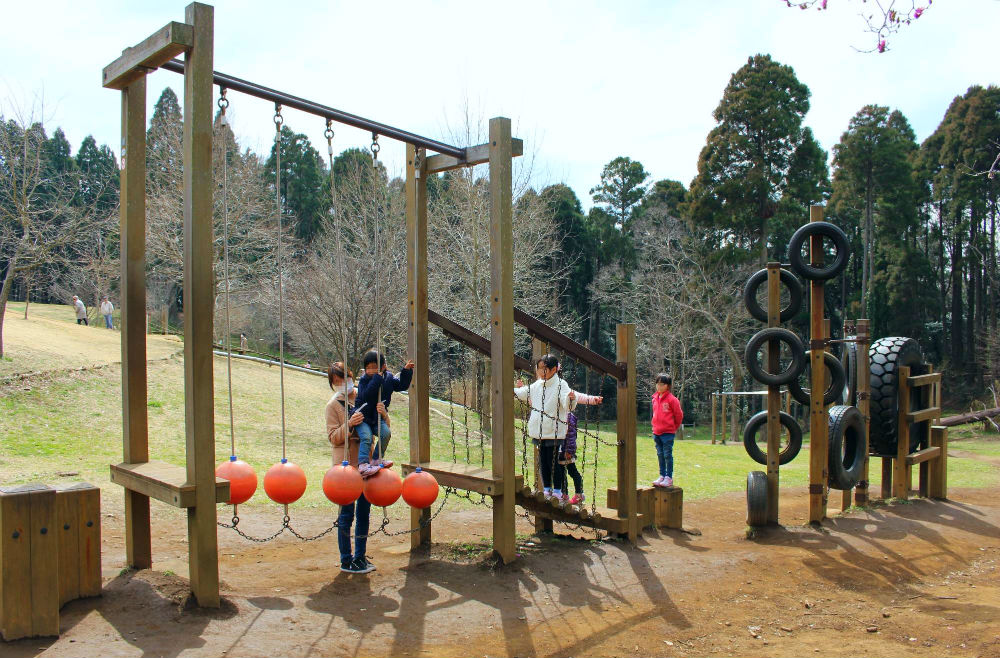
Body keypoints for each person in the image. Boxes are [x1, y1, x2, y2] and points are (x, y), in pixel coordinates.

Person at [515, 354, 595, 500]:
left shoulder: (560, 384)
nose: (540, 372)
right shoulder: (538, 384)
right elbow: (524, 392)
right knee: (543, 461)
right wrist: (512, 390)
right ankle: (547, 489)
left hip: (554, 431)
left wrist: (571, 399)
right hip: (539, 431)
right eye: (539, 369)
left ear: (553, 370)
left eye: (543, 369)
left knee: (554, 462)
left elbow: (567, 405)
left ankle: (558, 491)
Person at [326, 361, 378, 574]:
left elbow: (377, 426)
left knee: (364, 512)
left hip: (366, 464)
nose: (342, 384)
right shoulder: (333, 406)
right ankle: (346, 559)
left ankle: (360, 557)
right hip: (345, 466)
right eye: (337, 382)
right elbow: (332, 437)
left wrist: (382, 415)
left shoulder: (364, 395)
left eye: (345, 379)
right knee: (347, 513)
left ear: (351, 377)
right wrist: (349, 424)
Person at [355, 350, 414, 478]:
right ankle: (363, 464)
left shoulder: (389, 378)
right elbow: (367, 395)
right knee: (367, 437)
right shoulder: (364, 380)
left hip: (377, 417)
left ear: (383, 367)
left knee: (386, 433)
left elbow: (402, 386)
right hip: (363, 417)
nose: (371, 371)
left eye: (374, 367)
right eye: (368, 368)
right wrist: (377, 378)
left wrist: (406, 371)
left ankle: (377, 459)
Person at [554, 392, 602, 505]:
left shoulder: (568, 417)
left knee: (572, 472)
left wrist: (569, 451)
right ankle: (564, 493)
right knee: (561, 474)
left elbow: (571, 437)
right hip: (560, 451)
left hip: (566, 451)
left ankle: (579, 494)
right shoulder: (559, 416)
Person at [651, 373, 683, 487]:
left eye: (662, 384)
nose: (659, 386)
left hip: (667, 433)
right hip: (657, 432)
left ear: (667, 386)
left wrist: (673, 427)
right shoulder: (654, 399)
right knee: (660, 454)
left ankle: (669, 477)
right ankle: (662, 475)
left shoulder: (672, 400)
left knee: (667, 455)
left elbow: (679, 415)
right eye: (657, 384)